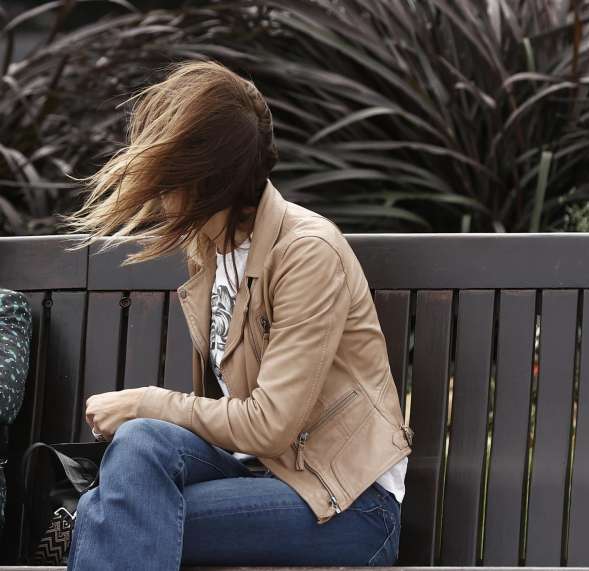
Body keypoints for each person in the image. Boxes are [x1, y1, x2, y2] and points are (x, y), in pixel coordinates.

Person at [59, 60, 413, 570]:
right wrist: (146, 416)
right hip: (257, 475)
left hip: (347, 504)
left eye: (168, 173)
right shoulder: (211, 245)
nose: (157, 190)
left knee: (109, 511)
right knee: (139, 445)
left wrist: (148, 401)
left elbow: (270, 426)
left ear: (209, 178)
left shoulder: (307, 252)